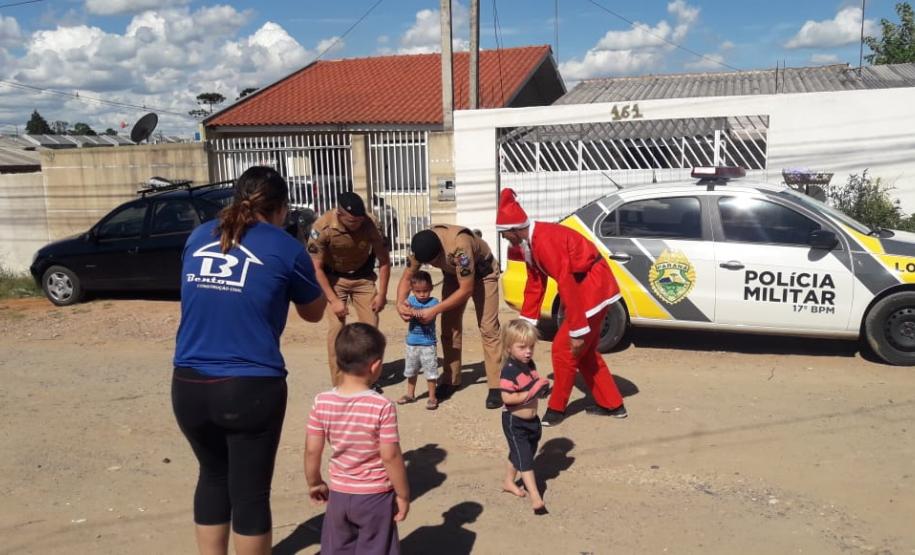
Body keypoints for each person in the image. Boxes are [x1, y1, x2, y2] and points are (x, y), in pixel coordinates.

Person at [172, 166, 326, 555]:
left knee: (212, 477)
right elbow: (313, 312)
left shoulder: (197, 236)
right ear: (281, 208)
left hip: (188, 382)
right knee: (250, 494)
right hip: (249, 386)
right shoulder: (284, 245)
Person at [496, 188, 628, 427]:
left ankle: (556, 408)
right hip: (587, 289)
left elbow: (566, 283)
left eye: (505, 234)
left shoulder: (544, 241)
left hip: (593, 288)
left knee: (563, 349)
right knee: (584, 353)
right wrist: (526, 324)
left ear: (515, 229)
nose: (505, 239)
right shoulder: (530, 242)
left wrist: (577, 330)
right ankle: (613, 404)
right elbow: (536, 282)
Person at [305, 323, 410, 554]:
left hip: (339, 495)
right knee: (375, 547)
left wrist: (314, 482)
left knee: (338, 548)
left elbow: (313, 449)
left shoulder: (321, 401)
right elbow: (390, 455)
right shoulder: (381, 406)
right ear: (375, 366)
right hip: (375, 497)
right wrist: (403, 493)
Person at [396, 225, 503, 409]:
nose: (431, 264)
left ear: (440, 251)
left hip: (484, 274)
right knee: (449, 328)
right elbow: (407, 277)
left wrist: (434, 310)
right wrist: (400, 302)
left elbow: (466, 289)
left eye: (434, 260)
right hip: (454, 276)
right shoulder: (421, 246)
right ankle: (451, 379)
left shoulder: (460, 247)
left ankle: (496, 386)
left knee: (488, 329)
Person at [307, 191, 391, 386]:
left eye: (359, 221)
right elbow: (316, 268)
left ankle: (368, 382)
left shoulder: (371, 224)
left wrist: (382, 295)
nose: (357, 225)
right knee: (336, 331)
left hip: (362, 278)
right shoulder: (322, 227)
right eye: (352, 221)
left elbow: (384, 261)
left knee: (370, 330)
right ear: (340, 213)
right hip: (334, 279)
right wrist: (334, 300)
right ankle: (339, 384)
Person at [499, 319, 551, 515]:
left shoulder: (529, 364)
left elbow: (534, 385)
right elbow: (507, 398)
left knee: (520, 453)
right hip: (515, 422)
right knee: (526, 460)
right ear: (509, 348)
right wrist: (532, 392)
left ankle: (508, 482)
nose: (528, 351)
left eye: (531, 347)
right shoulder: (509, 371)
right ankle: (536, 497)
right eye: (522, 347)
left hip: (532, 421)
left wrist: (543, 391)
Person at [397, 270, 442, 410]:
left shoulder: (434, 302)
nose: (422, 294)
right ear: (412, 290)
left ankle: (432, 397)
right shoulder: (410, 300)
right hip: (412, 342)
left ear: (431, 288)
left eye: (425, 291)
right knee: (411, 370)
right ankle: (410, 394)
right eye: (418, 291)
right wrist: (407, 309)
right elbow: (404, 309)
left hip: (428, 344)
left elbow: (426, 317)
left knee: (431, 372)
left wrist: (416, 313)